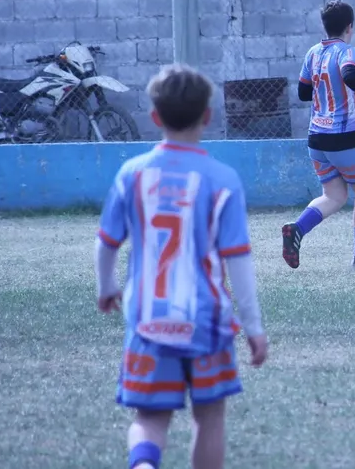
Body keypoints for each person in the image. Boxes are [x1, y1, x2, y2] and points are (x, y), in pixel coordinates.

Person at [94, 64, 268, 469]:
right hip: (206, 322)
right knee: (209, 418)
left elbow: (106, 243)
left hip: (148, 320)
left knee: (149, 418)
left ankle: (143, 465)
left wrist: (106, 287)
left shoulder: (131, 174)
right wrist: (254, 327)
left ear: (155, 117)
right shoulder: (223, 179)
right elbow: (238, 260)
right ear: (207, 116)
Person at [281, 0, 355, 271]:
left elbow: (304, 93)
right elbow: (351, 76)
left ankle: (297, 229)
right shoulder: (346, 51)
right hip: (345, 136)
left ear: (325, 25)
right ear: (349, 26)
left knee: (334, 195)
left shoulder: (313, 53)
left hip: (317, 138)